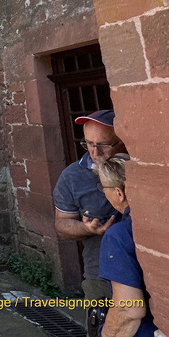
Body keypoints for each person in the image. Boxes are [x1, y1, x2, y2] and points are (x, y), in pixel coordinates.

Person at [53, 109, 127, 300]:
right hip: (100, 274)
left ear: (121, 141)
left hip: (143, 268)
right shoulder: (71, 177)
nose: (95, 152)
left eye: (103, 145)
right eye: (89, 144)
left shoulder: (137, 166)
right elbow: (62, 224)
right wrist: (87, 229)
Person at [97, 156, 159, 337]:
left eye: (103, 188)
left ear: (119, 192)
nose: (103, 193)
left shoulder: (118, 235)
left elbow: (129, 310)